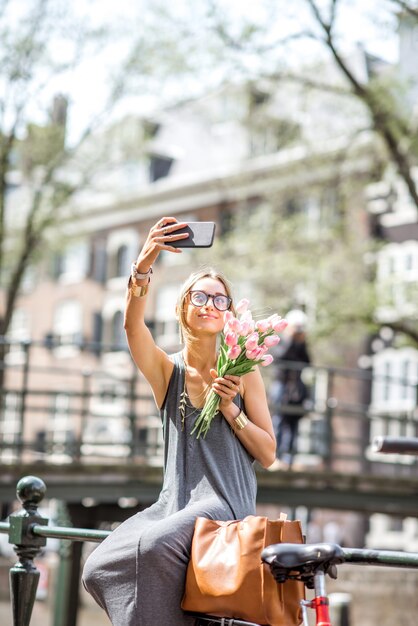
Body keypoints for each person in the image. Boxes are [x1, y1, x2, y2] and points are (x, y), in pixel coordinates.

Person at [82, 216, 276, 626]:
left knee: (152, 547)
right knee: (97, 567)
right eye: (201, 296)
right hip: (174, 505)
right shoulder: (167, 373)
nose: (210, 305)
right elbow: (132, 327)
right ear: (183, 307)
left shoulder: (245, 371)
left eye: (221, 300)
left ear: (228, 315)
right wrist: (144, 261)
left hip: (224, 503)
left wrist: (230, 410)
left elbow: (269, 453)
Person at [271, 310, 311, 469]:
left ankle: (289, 458)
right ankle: (274, 457)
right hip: (281, 385)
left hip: (296, 387)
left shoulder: (301, 343)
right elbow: (280, 357)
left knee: (293, 422)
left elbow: (307, 362)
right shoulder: (280, 340)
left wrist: (302, 343)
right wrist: (289, 339)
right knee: (278, 420)